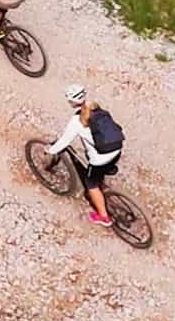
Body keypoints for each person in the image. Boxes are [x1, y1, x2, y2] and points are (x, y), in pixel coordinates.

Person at [48, 83, 125, 227]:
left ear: (71, 102)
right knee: (98, 164)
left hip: (101, 159)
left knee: (91, 183)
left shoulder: (76, 122)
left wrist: (50, 150)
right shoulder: (96, 107)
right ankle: (108, 171)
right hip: (117, 149)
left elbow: (64, 142)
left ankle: (104, 217)